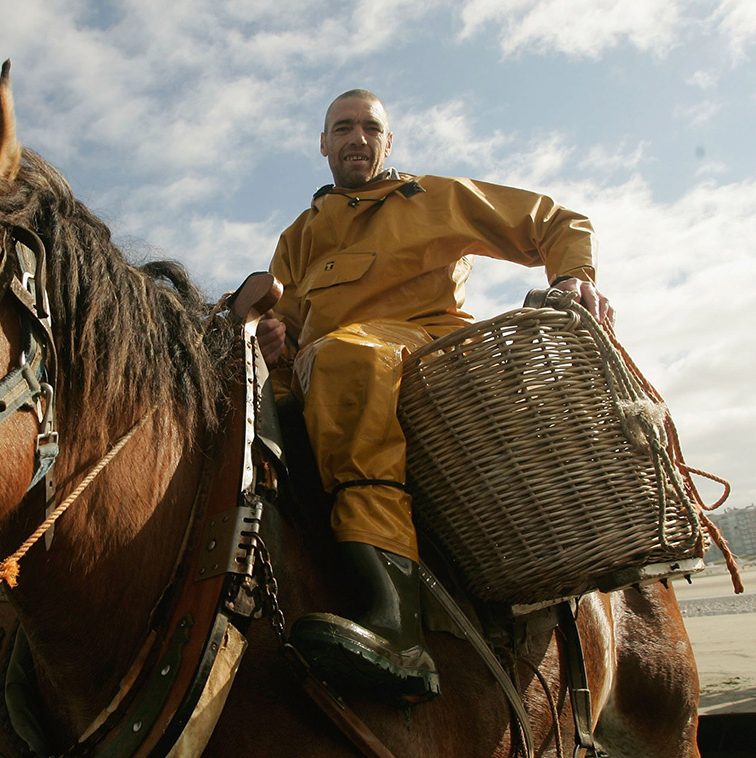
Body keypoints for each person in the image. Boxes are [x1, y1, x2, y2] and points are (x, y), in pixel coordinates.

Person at [257, 89, 613, 705]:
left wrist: (573, 275)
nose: (357, 139)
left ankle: (396, 625)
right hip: (326, 370)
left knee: (345, 357)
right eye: (343, 128)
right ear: (322, 144)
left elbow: (557, 222)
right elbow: (287, 324)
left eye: (371, 128)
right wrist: (274, 336)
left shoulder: (434, 197)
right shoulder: (299, 235)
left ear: (387, 142)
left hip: (417, 349)